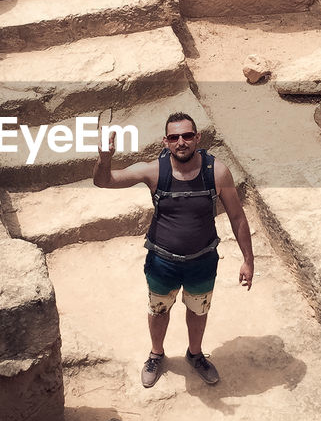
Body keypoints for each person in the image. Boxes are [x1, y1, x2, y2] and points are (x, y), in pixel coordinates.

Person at [93, 112, 254, 388]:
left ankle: (195, 354)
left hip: (202, 260)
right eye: (175, 137)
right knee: (158, 310)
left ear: (197, 138)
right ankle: (156, 353)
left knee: (198, 310)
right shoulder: (155, 171)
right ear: (166, 141)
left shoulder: (216, 172)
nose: (182, 142)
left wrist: (248, 260)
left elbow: (237, 217)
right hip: (162, 261)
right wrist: (105, 159)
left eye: (188, 135)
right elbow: (104, 181)